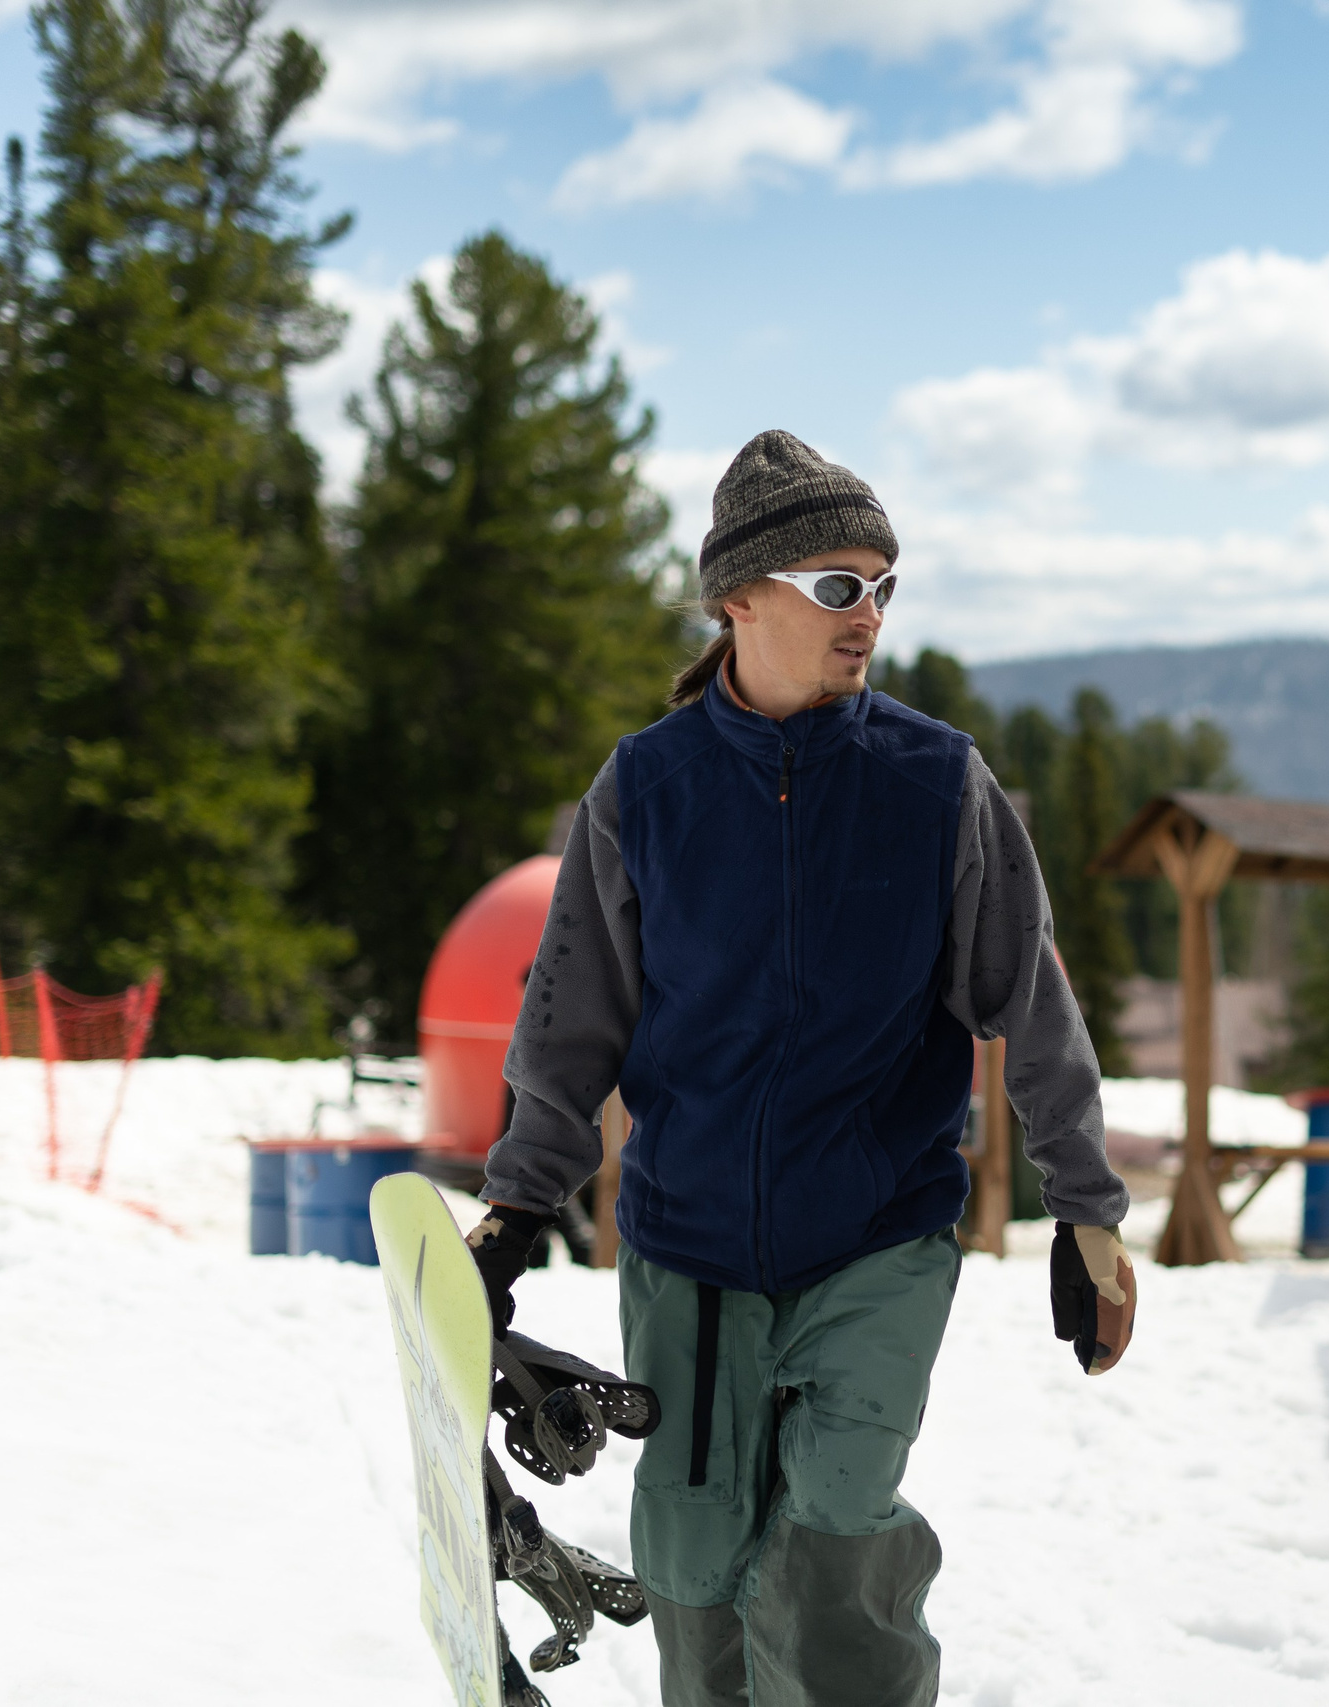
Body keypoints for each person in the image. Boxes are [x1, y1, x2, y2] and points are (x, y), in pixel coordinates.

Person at [461, 430, 1137, 1707]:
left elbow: (1029, 1004)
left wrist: (1086, 1210)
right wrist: (516, 1203)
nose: (867, 614)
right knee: (696, 1552)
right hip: (689, 1246)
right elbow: (571, 1025)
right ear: (739, 597)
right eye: (838, 586)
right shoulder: (645, 791)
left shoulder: (935, 782)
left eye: (884, 585)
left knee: (835, 1526)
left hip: (876, 1236)